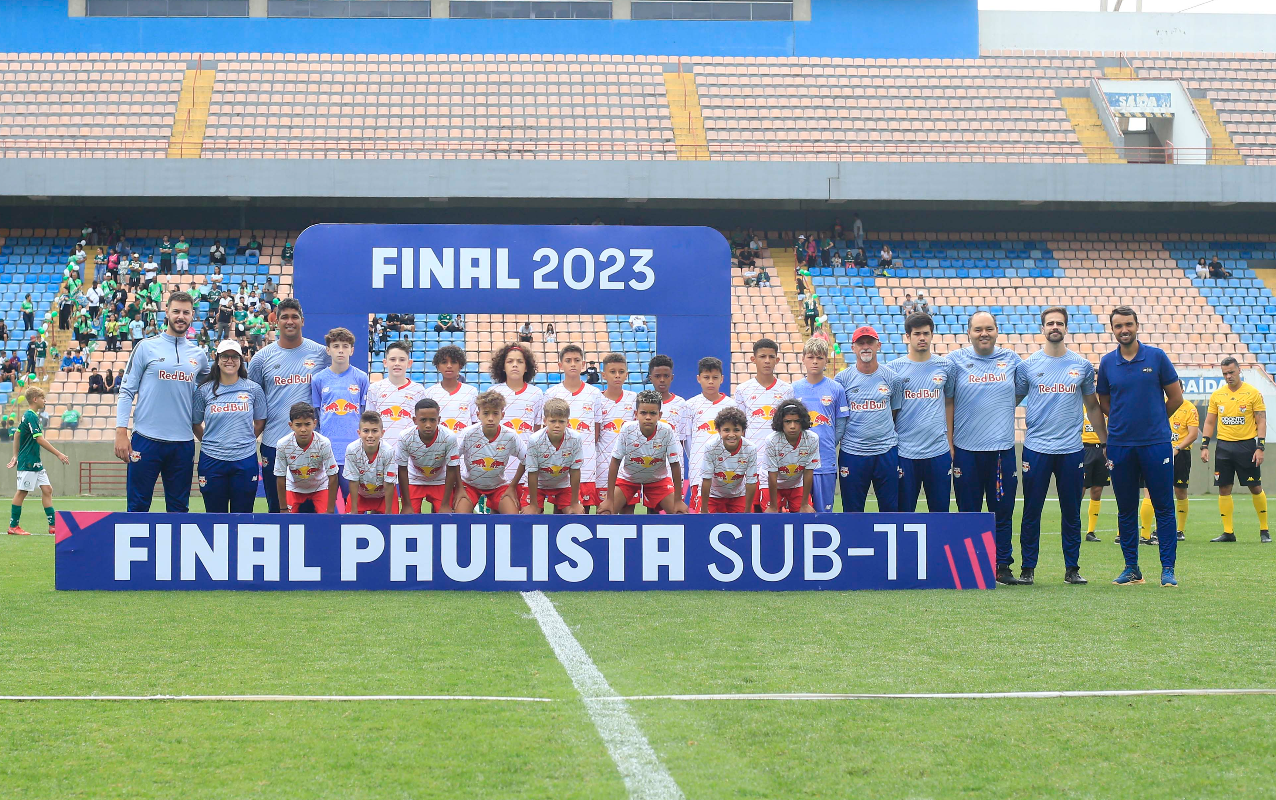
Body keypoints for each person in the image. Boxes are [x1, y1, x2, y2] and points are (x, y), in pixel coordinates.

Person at [1097, 305, 1185, 587]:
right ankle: (1132, 568)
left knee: (1164, 506)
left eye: (1128, 325)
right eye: (1118, 326)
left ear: (1137, 325)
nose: (1124, 330)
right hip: (1121, 445)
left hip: (1156, 444)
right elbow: (1105, 403)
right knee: (1125, 508)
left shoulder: (1157, 357)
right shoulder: (1108, 363)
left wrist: (1156, 420)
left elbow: (1176, 398)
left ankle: (1168, 569)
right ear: (1112, 330)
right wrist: (1124, 424)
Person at [1017, 307, 1105, 586]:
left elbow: (1092, 406)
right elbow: (1010, 401)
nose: (1055, 327)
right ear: (1042, 328)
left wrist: (1105, 441)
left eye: (1060, 323)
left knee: (1071, 511)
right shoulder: (1028, 365)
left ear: (1066, 328)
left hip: (1071, 450)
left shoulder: (1081, 365)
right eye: (1050, 323)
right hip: (1036, 449)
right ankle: (1028, 568)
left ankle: (1072, 569)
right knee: (1032, 510)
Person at [947, 311, 1026, 585]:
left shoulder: (1012, 360)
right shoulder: (955, 361)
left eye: (989, 329)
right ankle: (969, 566)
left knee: (1002, 511)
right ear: (968, 332)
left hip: (1002, 450)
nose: (984, 334)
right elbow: (944, 399)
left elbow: (1022, 390)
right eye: (978, 329)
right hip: (966, 450)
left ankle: (1002, 566)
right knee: (968, 512)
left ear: (996, 331)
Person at [114, 291, 209, 513]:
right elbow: (127, 390)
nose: (181, 316)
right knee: (137, 508)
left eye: (186, 312)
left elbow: (211, 388)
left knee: (179, 510)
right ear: (166, 312)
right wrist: (121, 431)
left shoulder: (200, 355)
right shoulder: (146, 347)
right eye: (176, 311)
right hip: (146, 439)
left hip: (182, 443)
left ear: (192, 315)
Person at [247, 298, 331, 514]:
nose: (290, 321)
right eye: (284, 317)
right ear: (276, 321)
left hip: (312, 445)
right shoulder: (261, 359)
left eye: (294, 317)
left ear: (302, 321)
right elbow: (253, 398)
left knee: (313, 515)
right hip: (274, 444)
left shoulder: (321, 354)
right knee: (277, 510)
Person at [888, 313, 955, 513]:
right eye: (917, 334)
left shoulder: (946, 367)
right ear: (907, 337)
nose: (922, 338)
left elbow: (949, 402)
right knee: (904, 513)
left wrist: (950, 442)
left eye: (926, 333)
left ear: (932, 335)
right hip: (905, 452)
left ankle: (939, 546)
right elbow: (890, 411)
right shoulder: (893, 370)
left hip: (938, 451)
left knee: (941, 512)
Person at [192, 339, 267, 514]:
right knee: (214, 516)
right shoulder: (204, 390)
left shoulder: (253, 389)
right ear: (217, 359)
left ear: (241, 360)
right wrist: (212, 443)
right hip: (212, 461)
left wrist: (244, 441)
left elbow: (260, 422)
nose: (229, 360)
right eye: (225, 356)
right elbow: (195, 423)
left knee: (243, 516)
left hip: (245, 459)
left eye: (234, 357)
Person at [835, 326, 904, 513]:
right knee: (852, 510)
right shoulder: (842, 379)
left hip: (886, 451)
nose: (866, 347)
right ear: (853, 347)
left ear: (878, 345)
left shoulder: (892, 378)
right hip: (853, 452)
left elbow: (894, 411)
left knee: (890, 510)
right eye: (861, 343)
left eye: (870, 342)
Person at [1201, 356, 1269, 543]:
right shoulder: (1217, 395)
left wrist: (1260, 447)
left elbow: (1261, 420)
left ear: (1239, 370)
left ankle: (1264, 529)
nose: (1228, 376)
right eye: (1225, 373)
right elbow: (1209, 421)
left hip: (1246, 445)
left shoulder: (1253, 393)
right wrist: (1205, 445)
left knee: (1255, 486)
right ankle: (1228, 532)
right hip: (1223, 446)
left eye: (1231, 372)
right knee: (1224, 488)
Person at [308, 327, 370, 510]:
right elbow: (317, 416)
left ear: (352, 350)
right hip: (329, 454)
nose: (341, 350)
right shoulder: (318, 379)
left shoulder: (361, 378)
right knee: (331, 511)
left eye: (345, 346)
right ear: (328, 350)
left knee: (355, 509)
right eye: (336, 346)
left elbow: (364, 415)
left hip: (354, 454)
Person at [789, 338, 848, 513]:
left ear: (826, 361)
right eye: (811, 357)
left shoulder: (836, 389)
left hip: (825, 462)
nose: (815, 361)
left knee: (823, 514)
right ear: (803, 359)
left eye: (820, 358)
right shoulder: (792, 389)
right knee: (796, 515)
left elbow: (841, 424)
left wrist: (828, 443)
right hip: (796, 464)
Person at [606, 390, 689, 514]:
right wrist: (609, 499)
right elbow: (615, 462)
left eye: (653, 413)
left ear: (660, 415)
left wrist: (678, 500)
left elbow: (675, 464)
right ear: (636, 414)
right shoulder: (627, 429)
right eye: (643, 413)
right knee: (606, 512)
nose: (648, 417)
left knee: (680, 513)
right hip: (628, 479)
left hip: (658, 480)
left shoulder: (666, 431)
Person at [735, 338, 792, 511]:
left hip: (778, 462)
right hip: (752, 461)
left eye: (771, 356)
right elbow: (740, 430)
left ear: (777, 360)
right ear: (753, 359)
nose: (767, 361)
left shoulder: (786, 390)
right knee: (752, 513)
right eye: (762, 356)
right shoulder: (743, 390)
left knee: (774, 514)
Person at [7, 387, 69, 536]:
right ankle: (13, 526)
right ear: (35, 399)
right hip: (28, 461)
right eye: (43, 398)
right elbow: (39, 439)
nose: (45, 401)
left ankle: (53, 526)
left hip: (35, 461)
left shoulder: (29, 416)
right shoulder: (31, 416)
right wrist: (59, 454)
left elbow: (17, 434)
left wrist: (15, 455)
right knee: (22, 492)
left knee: (47, 490)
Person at [1138, 399, 1199, 544]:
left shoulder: (1189, 408)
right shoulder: (1157, 404)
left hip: (1180, 454)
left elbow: (1193, 434)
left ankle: (1179, 531)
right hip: (1156, 452)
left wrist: (1177, 448)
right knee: (1150, 491)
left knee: (1180, 491)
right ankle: (1145, 534)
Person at [454, 390, 525, 514]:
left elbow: (527, 459)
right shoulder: (468, 434)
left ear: (502, 415)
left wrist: (512, 486)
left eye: (495, 413)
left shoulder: (510, 436)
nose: (490, 418)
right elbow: (452, 459)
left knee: (513, 517)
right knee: (460, 516)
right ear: (478, 414)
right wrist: (459, 487)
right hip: (470, 485)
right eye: (486, 413)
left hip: (498, 486)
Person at [489, 342, 543, 505]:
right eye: (510, 361)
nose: (515, 365)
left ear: (527, 367)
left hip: (526, 469)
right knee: (499, 518)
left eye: (520, 361)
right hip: (499, 468)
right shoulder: (494, 392)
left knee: (529, 517)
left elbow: (537, 432)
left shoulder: (536, 393)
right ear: (502, 366)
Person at [681, 357, 737, 512]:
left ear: (722, 379)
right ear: (699, 379)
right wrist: (696, 459)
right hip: (699, 470)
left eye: (715, 378)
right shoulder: (690, 405)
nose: (711, 382)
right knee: (702, 514)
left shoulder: (732, 405)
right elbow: (687, 440)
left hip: (727, 469)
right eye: (706, 377)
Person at [520, 398, 585, 515]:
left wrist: (575, 502)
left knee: (576, 515)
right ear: (545, 421)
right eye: (553, 421)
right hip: (539, 484)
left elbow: (575, 470)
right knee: (530, 515)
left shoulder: (575, 438)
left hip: (563, 484)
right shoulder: (534, 440)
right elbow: (532, 472)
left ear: (568, 422)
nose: (557, 425)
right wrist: (533, 505)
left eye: (561, 421)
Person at [397, 398, 461, 513]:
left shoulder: (449, 437)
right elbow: (402, 469)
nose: (428, 425)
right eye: (423, 420)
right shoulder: (405, 436)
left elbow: (452, 469)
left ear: (439, 420)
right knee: (409, 519)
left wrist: (445, 504)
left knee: (445, 517)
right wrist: (406, 504)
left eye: (432, 420)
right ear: (415, 420)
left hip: (440, 481)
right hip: (414, 480)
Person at [273, 402, 338, 513]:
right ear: (291, 425)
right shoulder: (282, 444)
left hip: (320, 486)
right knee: (288, 522)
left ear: (314, 423)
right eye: (298, 425)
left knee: (327, 522)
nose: (303, 429)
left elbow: (333, 476)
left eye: (307, 424)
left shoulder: (323, 443)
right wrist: (283, 508)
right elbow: (280, 476)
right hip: (293, 486)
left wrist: (330, 510)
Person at [594, 353, 637, 515]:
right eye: (612, 372)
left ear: (626, 374)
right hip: (603, 466)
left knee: (628, 513)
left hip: (628, 467)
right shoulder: (596, 399)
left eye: (621, 371)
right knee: (604, 512)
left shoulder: (634, 399)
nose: (617, 375)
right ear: (604, 375)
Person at [365, 340, 425, 455]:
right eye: (392, 359)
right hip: (382, 452)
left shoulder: (418, 390)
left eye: (402, 360)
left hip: (409, 452)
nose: (397, 363)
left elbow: (420, 424)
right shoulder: (375, 389)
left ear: (409, 363)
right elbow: (370, 422)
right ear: (385, 362)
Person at [698, 406, 758, 513]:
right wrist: (704, 510)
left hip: (738, 495)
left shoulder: (750, 448)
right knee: (704, 525)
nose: (731, 435)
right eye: (726, 430)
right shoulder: (711, 447)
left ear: (743, 431)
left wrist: (748, 511)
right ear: (718, 431)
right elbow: (706, 479)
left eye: (736, 430)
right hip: (712, 495)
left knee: (745, 525)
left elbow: (751, 482)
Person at [765, 399, 819, 512]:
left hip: (796, 484)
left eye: (797, 421)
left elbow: (809, 471)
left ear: (803, 422)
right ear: (781, 422)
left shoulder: (812, 438)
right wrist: (773, 507)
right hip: (771, 484)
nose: (793, 426)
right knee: (771, 517)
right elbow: (772, 474)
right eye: (788, 422)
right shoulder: (772, 440)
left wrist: (804, 504)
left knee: (806, 514)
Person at [342, 412, 398, 514]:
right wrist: (354, 510)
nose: (370, 435)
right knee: (351, 524)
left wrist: (388, 512)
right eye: (366, 431)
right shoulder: (352, 449)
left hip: (383, 496)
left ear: (382, 433)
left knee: (388, 525)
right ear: (359, 433)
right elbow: (353, 480)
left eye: (375, 431)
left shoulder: (388, 451)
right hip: (360, 495)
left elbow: (389, 482)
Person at [424, 345, 478, 437]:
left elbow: (475, 422)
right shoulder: (429, 393)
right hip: (438, 446)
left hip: (464, 447)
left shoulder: (471, 391)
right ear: (438, 366)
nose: (449, 366)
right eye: (444, 362)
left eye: (453, 362)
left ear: (460, 366)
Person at [647, 354, 689, 443]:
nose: (662, 380)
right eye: (657, 376)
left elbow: (681, 438)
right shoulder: (643, 403)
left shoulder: (681, 403)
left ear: (672, 377)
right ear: (651, 378)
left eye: (666, 376)